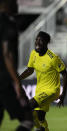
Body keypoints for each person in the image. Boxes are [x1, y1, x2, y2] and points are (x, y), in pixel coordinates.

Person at [19, 31, 67, 131]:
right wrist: (18, 79)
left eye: (41, 40)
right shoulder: (33, 53)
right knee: (40, 117)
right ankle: (43, 128)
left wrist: (63, 94)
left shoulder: (53, 58)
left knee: (29, 105)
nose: (37, 42)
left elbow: (65, 74)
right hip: (40, 90)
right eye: (36, 40)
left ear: (47, 42)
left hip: (52, 91)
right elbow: (30, 70)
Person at [0, 0, 34, 130]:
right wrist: (17, 82)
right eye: (14, 1)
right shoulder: (8, 23)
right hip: (5, 81)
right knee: (27, 119)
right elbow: (7, 54)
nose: (17, 5)